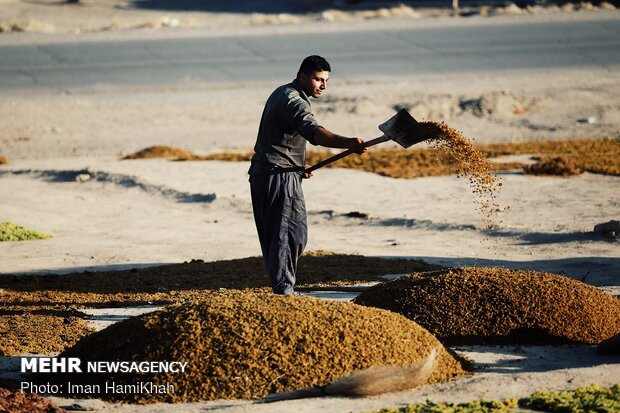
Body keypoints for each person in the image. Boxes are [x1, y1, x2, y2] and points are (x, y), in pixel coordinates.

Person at [249, 55, 367, 295]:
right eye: (317, 79)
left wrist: (298, 165)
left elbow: (280, 139)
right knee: (285, 236)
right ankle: (284, 292)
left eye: (326, 80)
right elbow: (314, 133)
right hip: (277, 176)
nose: (323, 85)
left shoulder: (283, 92)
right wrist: (348, 143)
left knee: (294, 234)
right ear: (302, 76)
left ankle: (284, 287)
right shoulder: (294, 101)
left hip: (280, 172)